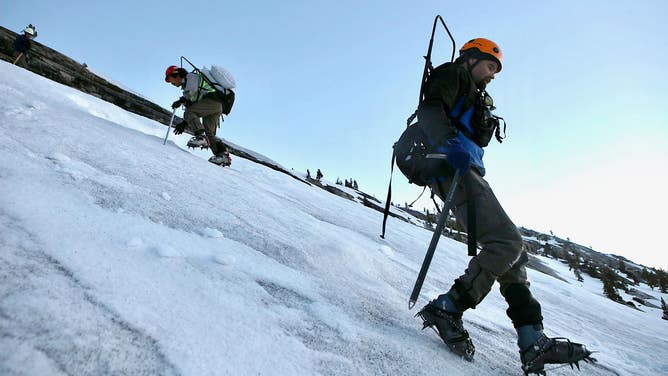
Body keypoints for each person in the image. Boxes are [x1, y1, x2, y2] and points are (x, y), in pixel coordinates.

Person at [414, 38, 594, 375]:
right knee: (508, 242)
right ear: (469, 58)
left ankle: (532, 340)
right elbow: (429, 109)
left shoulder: (474, 90)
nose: (493, 74)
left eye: (496, 69)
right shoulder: (452, 74)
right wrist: (449, 143)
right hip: (450, 166)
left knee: (514, 255)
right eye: (489, 65)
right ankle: (448, 307)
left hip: (463, 168)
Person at [164, 65, 231, 166]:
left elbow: (191, 92)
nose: (172, 84)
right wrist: (184, 123)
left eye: (171, 80)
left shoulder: (190, 76)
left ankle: (200, 137)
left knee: (190, 113)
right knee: (210, 133)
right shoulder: (186, 86)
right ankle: (222, 156)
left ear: (176, 75)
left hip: (212, 101)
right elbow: (192, 107)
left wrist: (181, 100)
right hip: (216, 106)